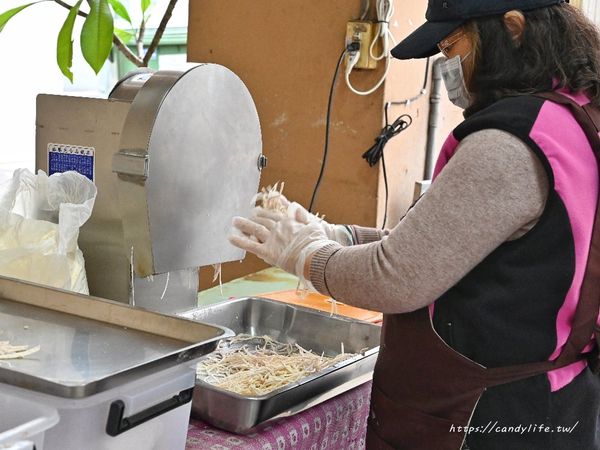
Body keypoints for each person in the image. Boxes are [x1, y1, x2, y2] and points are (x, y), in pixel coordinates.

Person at [229, 1, 600, 448]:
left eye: (451, 47)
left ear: (514, 29)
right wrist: (336, 236)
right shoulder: (570, 119)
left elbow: (396, 277)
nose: (448, 67)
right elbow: (452, 248)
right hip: (546, 399)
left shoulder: (509, 144)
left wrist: (305, 254)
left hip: (489, 413)